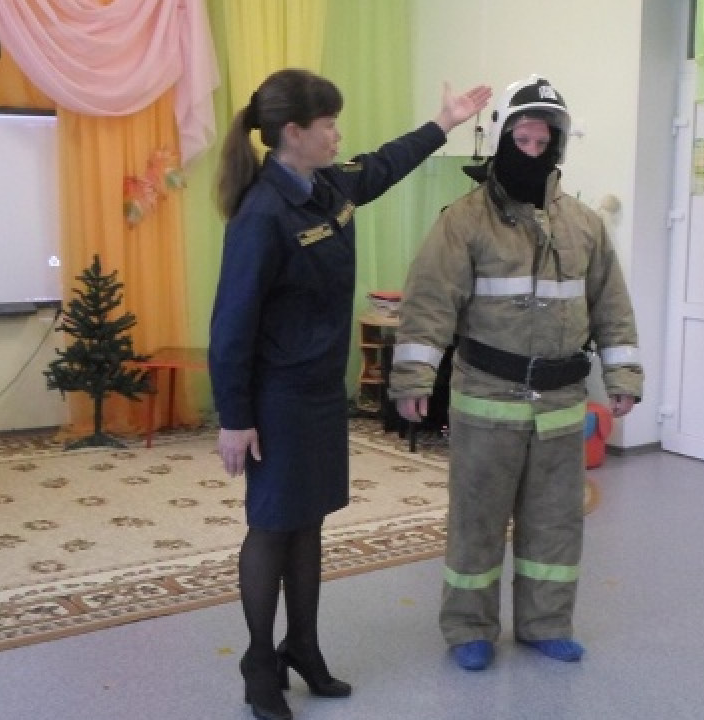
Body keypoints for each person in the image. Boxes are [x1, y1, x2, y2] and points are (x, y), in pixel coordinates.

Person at [209, 68, 490, 720]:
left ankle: (302, 646)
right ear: (293, 133)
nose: (338, 134)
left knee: (309, 521)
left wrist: (444, 123)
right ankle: (259, 663)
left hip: (319, 394)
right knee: (272, 526)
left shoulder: (328, 184)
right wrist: (235, 416)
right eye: (328, 125)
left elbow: (385, 163)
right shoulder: (262, 214)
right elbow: (231, 324)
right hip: (277, 399)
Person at [389, 75, 643, 672]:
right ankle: (469, 628)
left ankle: (546, 623)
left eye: (541, 142)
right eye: (521, 140)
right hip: (487, 401)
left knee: (555, 524)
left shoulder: (584, 225)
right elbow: (430, 302)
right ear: (503, 139)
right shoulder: (464, 221)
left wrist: (623, 375)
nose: (531, 152)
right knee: (476, 522)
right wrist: (414, 380)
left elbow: (611, 305)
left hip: (559, 407)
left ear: (557, 145)